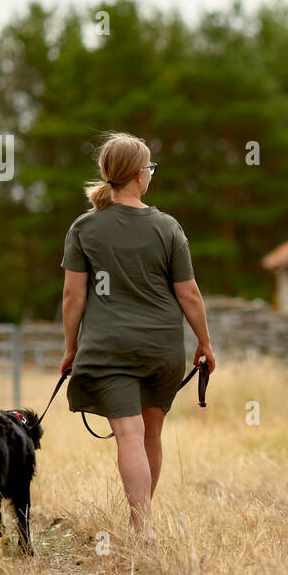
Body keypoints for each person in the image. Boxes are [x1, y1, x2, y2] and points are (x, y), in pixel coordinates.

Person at [60, 132, 215, 540]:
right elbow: (189, 293)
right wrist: (204, 342)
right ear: (138, 176)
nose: (151, 175)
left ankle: (141, 525)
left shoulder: (85, 227)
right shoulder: (167, 227)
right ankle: (140, 525)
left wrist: (71, 347)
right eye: (150, 168)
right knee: (150, 434)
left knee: (128, 435)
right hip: (161, 348)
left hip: (108, 349)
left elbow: (73, 295)